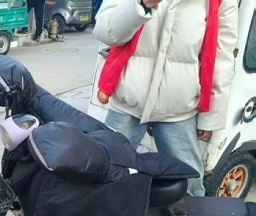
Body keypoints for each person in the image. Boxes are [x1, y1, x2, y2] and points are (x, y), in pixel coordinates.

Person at [93, 0, 238, 196]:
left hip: (179, 108)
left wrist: (211, 115)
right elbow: (104, 31)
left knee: (190, 189)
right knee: (103, 176)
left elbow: (222, 57)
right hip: (127, 101)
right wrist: (141, 5)